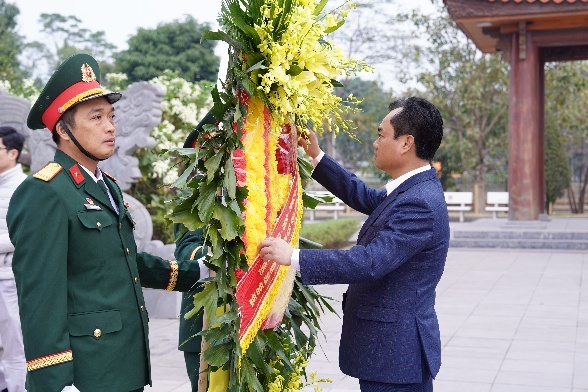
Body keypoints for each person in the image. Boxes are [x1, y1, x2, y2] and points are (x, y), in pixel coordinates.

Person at [7, 53, 202, 392]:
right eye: (95, 117)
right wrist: (57, 384)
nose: (110, 126)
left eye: (111, 116)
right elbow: (39, 299)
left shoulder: (105, 185)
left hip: (123, 366)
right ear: (63, 129)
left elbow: (123, 260)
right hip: (84, 377)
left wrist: (197, 273)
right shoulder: (45, 193)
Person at [259, 97, 449, 392]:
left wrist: (294, 257)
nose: (375, 143)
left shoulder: (419, 202)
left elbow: (369, 262)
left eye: (381, 134)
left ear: (405, 143)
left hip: (395, 357)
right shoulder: (413, 189)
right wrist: (316, 155)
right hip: (391, 354)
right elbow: (364, 197)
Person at [0, 126, 27, 392]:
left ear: (13, 153)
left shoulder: (22, 187)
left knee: (15, 348)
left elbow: (22, 235)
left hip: (8, 280)